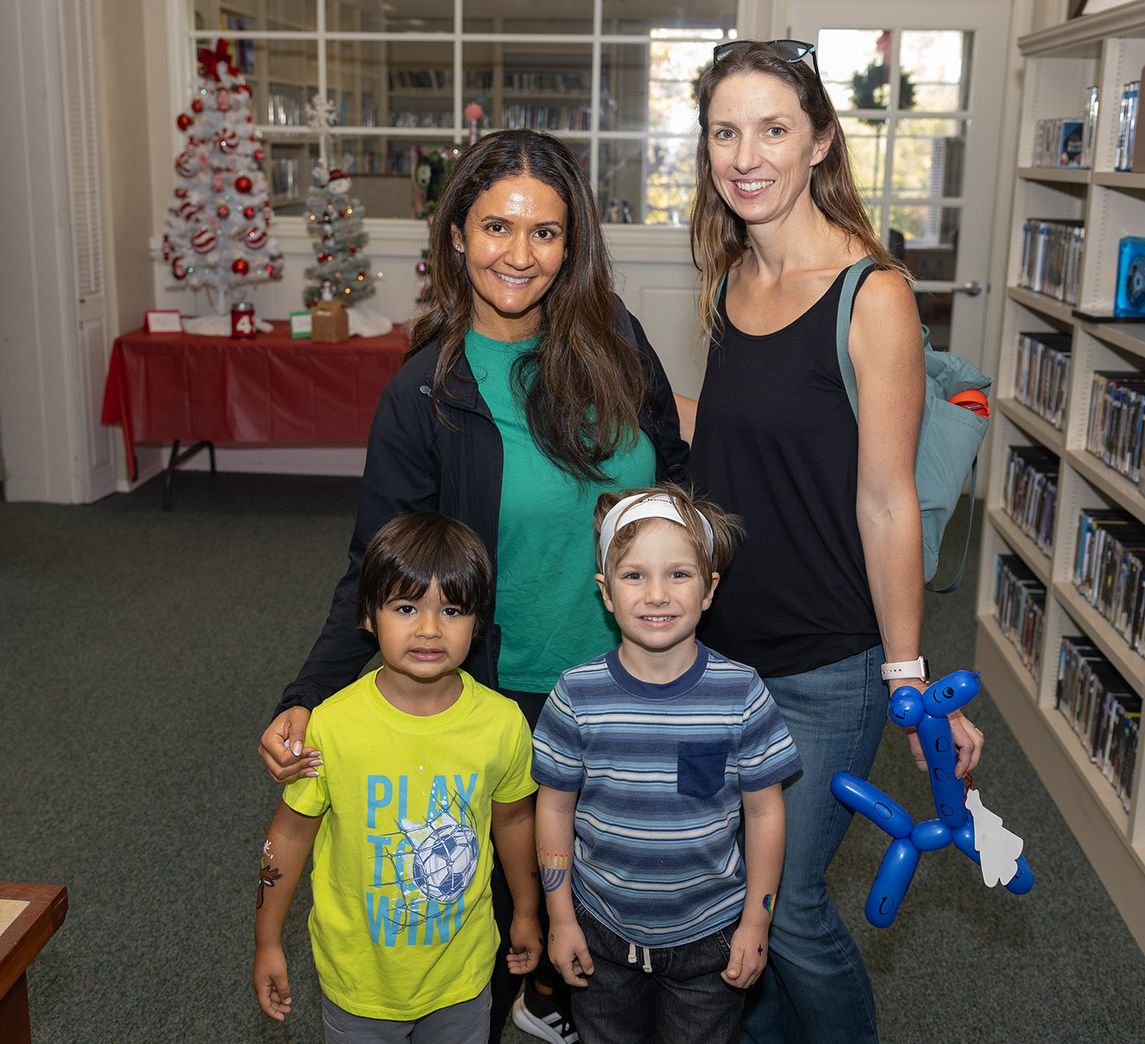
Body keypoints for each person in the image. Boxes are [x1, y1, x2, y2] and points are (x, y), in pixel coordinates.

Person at [258, 128, 691, 1044]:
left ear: (573, 244)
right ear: (456, 234)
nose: (519, 255)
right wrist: (307, 695)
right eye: (496, 227)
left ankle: (560, 1009)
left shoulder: (618, 342)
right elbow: (379, 567)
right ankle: (528, 1007)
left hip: (640, 682)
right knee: (502, 913)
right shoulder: (427, 394)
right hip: (514, 698)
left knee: (634, 902)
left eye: (545, 233)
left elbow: (677, 483)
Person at [683, 40, 987, 1044]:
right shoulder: (727, 279)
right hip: (721, 655)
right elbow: (733, 450)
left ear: (818, 140)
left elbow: (886, 500)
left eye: (772, 129)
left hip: (826, 661)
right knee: (734, 894)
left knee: (788, 905)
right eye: (725, 131)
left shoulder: (873, 295)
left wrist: (908, 676)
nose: (745, 155)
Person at [252, 512, 541, 1042]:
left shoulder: (503, 724)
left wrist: (526, 910)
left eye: (451, 610)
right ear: (368, 617)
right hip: (357, 980)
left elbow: (516, 821)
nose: (429, 628)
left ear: (477, 621)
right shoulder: (332, 726)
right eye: (406, 607)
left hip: (463, 977)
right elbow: (289, 834)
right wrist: (267, 939)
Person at [533, 484, 799, 1044]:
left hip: (711, 935)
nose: (657, 594)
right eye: (634, 576)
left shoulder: (742, 693)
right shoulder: (575, 695)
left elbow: (766, 815)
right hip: (599, 927)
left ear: (709, 589)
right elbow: (553, 809)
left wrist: (758, 919)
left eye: (679, 574)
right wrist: (559, 917)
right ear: (606, 593)